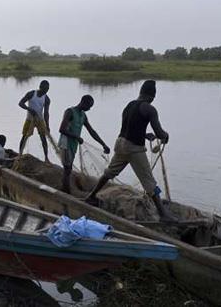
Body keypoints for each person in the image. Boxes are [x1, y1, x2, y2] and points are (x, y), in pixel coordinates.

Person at [85, 80, 177, 222]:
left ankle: (91, 196)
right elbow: (160, 132)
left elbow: (131, 127)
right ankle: (163, 215)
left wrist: (146, 135)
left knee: (109, 172)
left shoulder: (129, 105)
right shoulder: (150, 109)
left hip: (120, 143)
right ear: (152, 96)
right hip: (134, 148)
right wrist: (166, 136)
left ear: (140, 92)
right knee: (149, 181)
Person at [58, 95, 110, 194]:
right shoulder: (70, 112)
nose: (89, 109)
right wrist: (76, 137)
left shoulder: (83, 115)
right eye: (89, 106)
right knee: (67, 169)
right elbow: (62, 129)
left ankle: (65, 189)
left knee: (68, 168)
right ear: (83, 102)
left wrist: (103, 144)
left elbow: (91, 131)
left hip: (73, 144)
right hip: (65, 144)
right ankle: (65, 192)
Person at [18, 80, 51, 162]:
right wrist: (29, 109)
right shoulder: (31, 94)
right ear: (40, 87)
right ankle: (20, 154)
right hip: (30, 119)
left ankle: (46, 158)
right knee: (24, 137)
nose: (46, 91)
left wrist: (47, 125)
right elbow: (21, 103)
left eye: (47, 89)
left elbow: (46, 113)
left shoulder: (46, 99)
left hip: (40, 120)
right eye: (45, 89)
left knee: (43, 138)